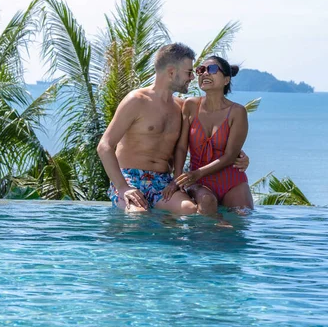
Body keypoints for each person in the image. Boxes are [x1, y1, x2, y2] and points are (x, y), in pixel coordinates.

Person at [96, 43, 248, 213]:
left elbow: (202, 138)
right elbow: (105, 146)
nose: (192, 78)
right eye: (189, 72)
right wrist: (122, 187)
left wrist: (240, 156)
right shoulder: (136, 100)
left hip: (163, 181)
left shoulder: (182, 107)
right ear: (171, 72)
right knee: (138, 216)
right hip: (130, 179)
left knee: (190, 210)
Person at [163, 55, 254, 215]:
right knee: (206, 228)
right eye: (200, 70)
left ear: (226, 80)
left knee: (240, 225)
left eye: (211, 69)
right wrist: (177, 180)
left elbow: (231, 156)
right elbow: (182, 147)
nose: (204, 74)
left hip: (232, 182)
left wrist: (197, 173)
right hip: (198, 183)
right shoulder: (191, 105)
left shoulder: (237, 112)